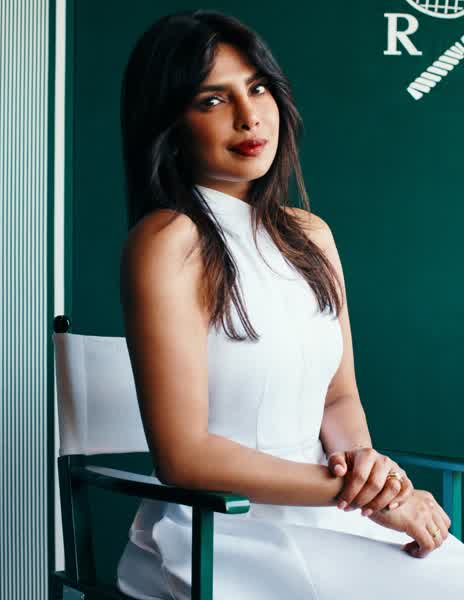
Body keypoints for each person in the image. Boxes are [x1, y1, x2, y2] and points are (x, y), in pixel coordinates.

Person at [116, 9, 464, 600]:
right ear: (169, 124)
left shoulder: (310, 234)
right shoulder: (167, 240)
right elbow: (184, 456)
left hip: (332, 507)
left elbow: (338, 398)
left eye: (257, 88)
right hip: (224, 526)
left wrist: (376, 484)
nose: (249, 115)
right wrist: (362, 495)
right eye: (211, 100)